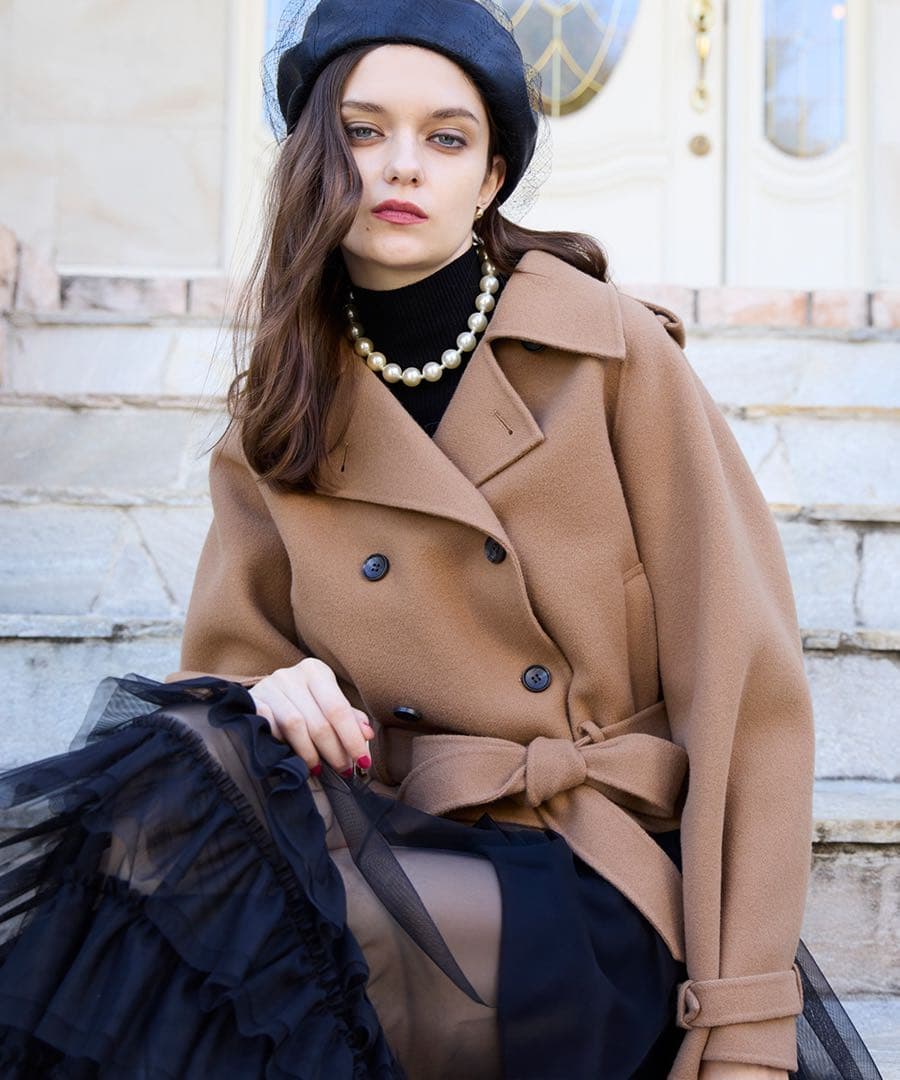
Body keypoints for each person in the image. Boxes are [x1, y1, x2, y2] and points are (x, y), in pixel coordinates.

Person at [0, 1, 883, 1078]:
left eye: (447, 138)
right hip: (396, 839)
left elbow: (746, 693)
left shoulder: (609, 357)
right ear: (313, 160)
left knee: (254, 958)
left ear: (492, 178)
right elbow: (227, 695)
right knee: (165, 795)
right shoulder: (283, 411)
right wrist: (272, 690)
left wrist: (743, 1029)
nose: (402, 165)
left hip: (585, 867)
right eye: (363, 131)